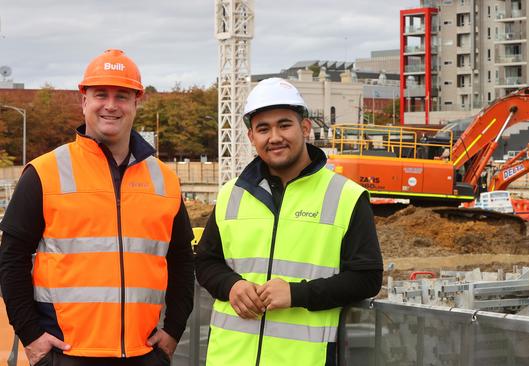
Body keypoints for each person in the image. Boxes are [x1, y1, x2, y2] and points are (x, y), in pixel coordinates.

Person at [0, 49, 195, 365]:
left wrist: (172, 332)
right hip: (66, 353)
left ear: (136, 102)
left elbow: (183, 261)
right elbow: (11, 258)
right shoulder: (45, 173)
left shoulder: (165, 181)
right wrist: (31, 336)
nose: (110, 105)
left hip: (143, 353)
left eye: (122, 96)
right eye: (100, 94)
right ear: (84, 101)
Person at [195, 78, 383, 365]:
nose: (274, 137)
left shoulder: (346, 196)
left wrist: (297, 294)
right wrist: (232, 285)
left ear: (305, 128)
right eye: (263, 129)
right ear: (251, 138)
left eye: (284, 125)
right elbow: (206, 262)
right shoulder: (231, 194)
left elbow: (366, 278)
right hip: (229, 358)